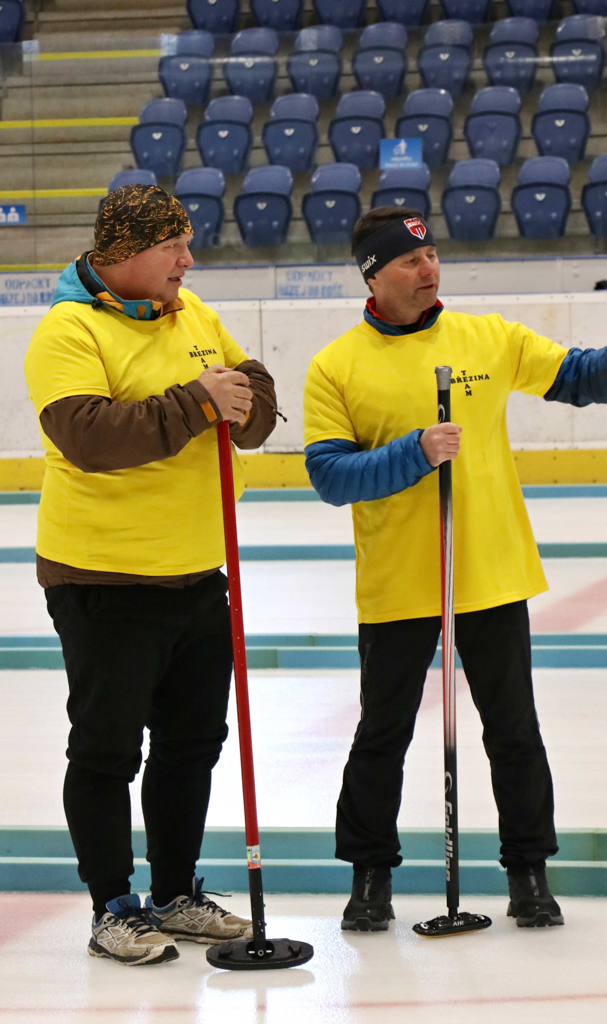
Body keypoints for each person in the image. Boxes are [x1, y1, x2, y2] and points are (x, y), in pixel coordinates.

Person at [303, 207, 607, 932]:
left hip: (488, 573)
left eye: (431, 256)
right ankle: (369, 877)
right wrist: (414, 453)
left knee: (513, 731)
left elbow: (574, 375)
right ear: (373, 275)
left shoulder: (488, 337)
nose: (428, 269)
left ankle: (529, 873)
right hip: (397, 584)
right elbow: (330, 476)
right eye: (409, 261)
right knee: (382, 736)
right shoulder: (336, 365)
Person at [24, 185, 278, 966]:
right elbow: (91, 436)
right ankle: (112, 907)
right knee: (106, 750)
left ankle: (174, 894)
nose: (188, 261)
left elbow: (252, 387)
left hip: (196, 571)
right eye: (174, 247)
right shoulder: (66, 331)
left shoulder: (189, 313)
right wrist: (199, 403)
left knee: (192, 742)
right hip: (104, 579)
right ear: (128, 252)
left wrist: (243, 406)